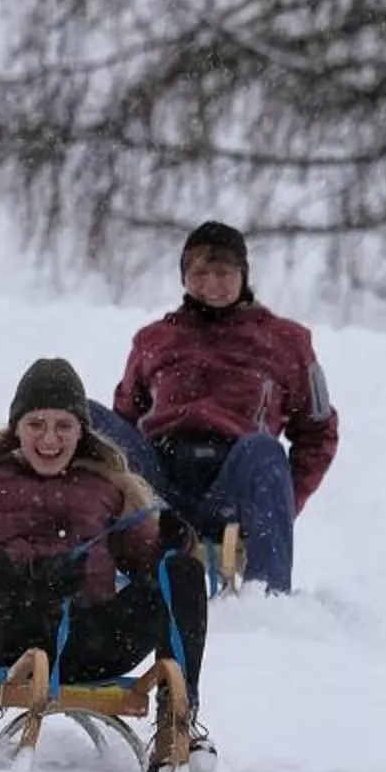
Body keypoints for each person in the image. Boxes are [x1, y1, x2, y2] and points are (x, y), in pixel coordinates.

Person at [0, 357, 207, 759]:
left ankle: (177, 722)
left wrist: (172, 543)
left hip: (96, 640)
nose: (49, 439)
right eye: (36, 424)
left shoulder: (106, 486)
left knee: (181, 571)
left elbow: (150, 565)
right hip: (12, 636)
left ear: (80, 431)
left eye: (63, 426)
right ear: (16, 428)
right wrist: (29, 575)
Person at [90, 221, 339, 595]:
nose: (211, 285)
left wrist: (279, 505)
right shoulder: (153, 340)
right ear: (184, 278)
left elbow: (318, 432)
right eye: (199, 273)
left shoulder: (287, 342)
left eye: (223, 273)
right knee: (80, 417)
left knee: (264, 449)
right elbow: (123, 420)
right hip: (160, 484)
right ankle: (75, 571)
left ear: (243, 275)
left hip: (232, 485)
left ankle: (269, 600)